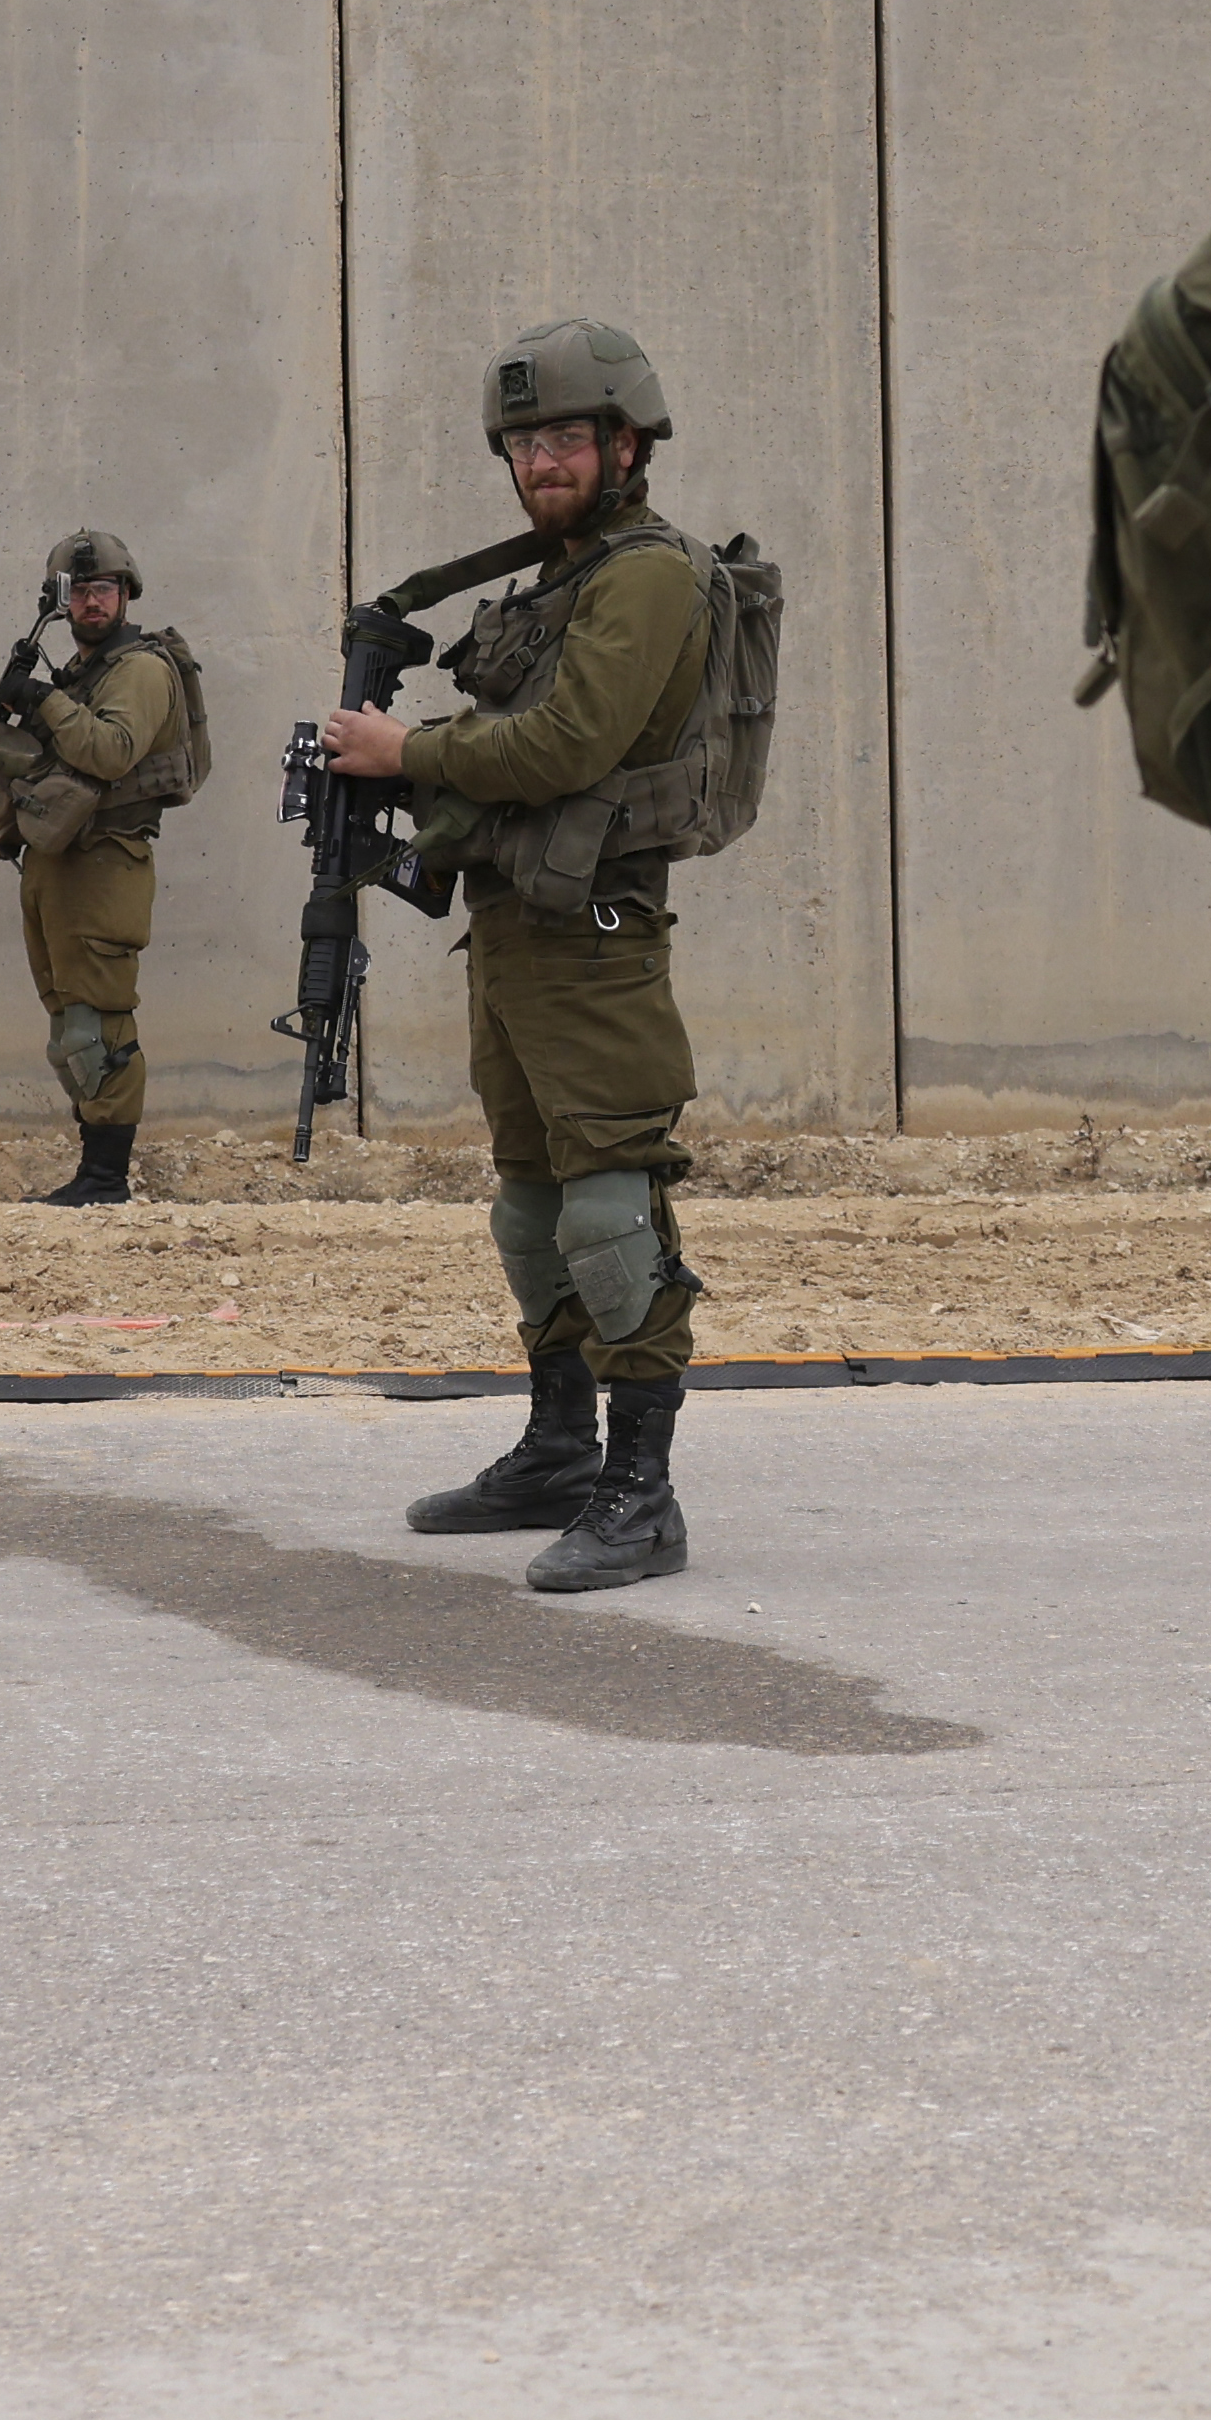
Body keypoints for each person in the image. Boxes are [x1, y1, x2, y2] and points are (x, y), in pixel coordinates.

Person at [313, 327, 734, 1597]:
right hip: (512, 928)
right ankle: (559, 1449)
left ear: (625, 443)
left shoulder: (646, 577)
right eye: (522, 444)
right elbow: (515, 741)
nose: (540, 463)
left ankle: (641, 1495)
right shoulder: (558, 579)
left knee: (608, 1209)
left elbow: (567, 744)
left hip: (596, 938)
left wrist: (407, 754)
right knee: (531, 1209)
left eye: (562, 438)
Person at [0, 531, 194, 1208]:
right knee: (68, 1026)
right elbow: (51, 759)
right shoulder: (82, 675)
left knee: (97, 1025)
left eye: (103, 588)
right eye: (78, 591)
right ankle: (92, 1173)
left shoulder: (140, 671)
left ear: (126, 594)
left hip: (106, 863)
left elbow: (109, 751)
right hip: (56, 860)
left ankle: (106, 1179)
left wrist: (39, 698)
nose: (91, 601)